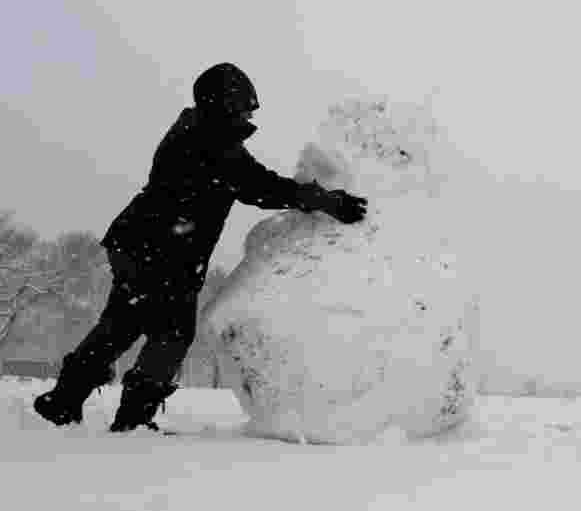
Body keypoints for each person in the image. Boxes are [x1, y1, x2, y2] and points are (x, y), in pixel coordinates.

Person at [33, 62, 368, 432]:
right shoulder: (213, 143)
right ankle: (132, 420)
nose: (250, 114)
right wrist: (326, 201)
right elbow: (263, 187)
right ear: (225, 105)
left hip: (138, 244)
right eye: (244, 106)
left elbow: (251, 181)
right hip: (163, 253)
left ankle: (63, 402)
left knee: (121, 324)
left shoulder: (196, 129)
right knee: (171, 334)